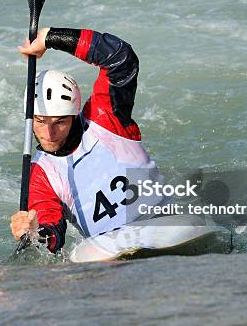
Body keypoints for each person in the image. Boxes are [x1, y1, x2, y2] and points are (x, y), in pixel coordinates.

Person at [10, 27, 156, 252]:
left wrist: (51, 37)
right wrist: (35, 233)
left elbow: (120, 58)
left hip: (164, 225)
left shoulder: (105, 118)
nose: (48, 133)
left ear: (73, 114)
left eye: (59, 122)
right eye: (40, 122)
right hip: (113, 253)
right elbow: (52, 234)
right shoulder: (41, 174)